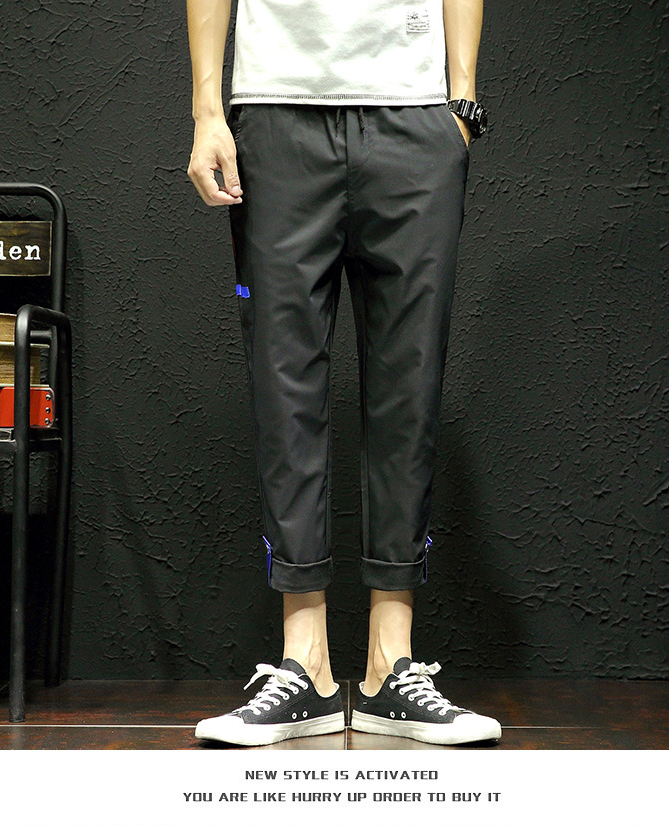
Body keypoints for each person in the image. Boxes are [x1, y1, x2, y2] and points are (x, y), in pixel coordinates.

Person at [186, 0, 500, 746]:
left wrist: (459, 100)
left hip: (414, 114)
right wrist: (207, 110)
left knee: (409, 387)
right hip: (276, 111)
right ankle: (308, 666)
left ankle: (392, 668)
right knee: (284, 384)